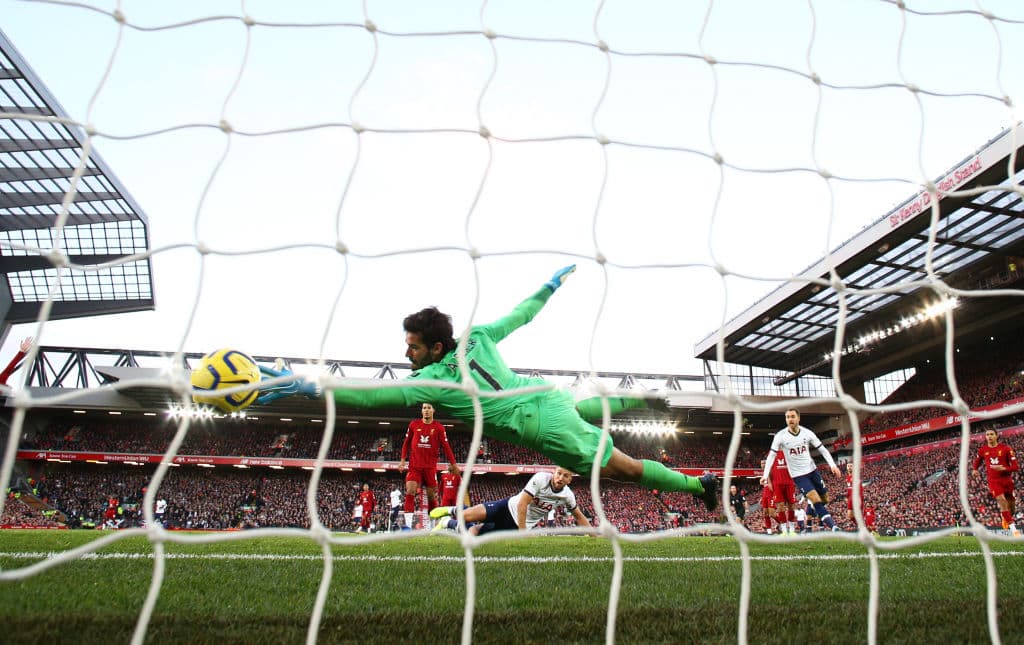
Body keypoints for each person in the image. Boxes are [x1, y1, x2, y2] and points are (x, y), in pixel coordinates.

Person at [255, 266, 718, 511]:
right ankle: (627, 412)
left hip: (541, 425)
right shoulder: (477, 335)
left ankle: (701, 485)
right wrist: (548, 287)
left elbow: (371, 396)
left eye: (412, 347)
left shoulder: (432, 382)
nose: (407, 353)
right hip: (546, 396)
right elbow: (521, 314)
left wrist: (312, 386)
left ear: (436, 347)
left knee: (626, 470)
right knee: (614, 471)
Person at [429, 466, 590, 536]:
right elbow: (522, 503)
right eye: (558, 473)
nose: (560, 477)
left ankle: (446, 523)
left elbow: (579, 516)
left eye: (565, 476)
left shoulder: (567, 496)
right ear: (554, 472)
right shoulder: (541, 478)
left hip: (513, 525)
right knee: (465, 517)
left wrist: (594, 535)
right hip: (506, 507)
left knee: (472, 533)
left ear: (570, 479)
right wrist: (522, 532)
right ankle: (451, 511)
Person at [760, 408, 841, 531]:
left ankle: (816, 508)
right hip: (798, 476)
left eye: (792, 416)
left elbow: (822, 449)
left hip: (812, 471)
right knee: (815, 498)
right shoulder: (780, 436)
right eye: (787, 417)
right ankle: (833, 526)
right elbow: (771, 456)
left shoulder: (807, 433)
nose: (790, 419)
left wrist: (832, 465)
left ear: (798, 418)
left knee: (825, 499)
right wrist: (765, 475)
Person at [398, 402, 459, 529]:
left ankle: (431, 526)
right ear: (421, 411)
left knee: (431, 496)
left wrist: (454, 464)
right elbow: (406, 443)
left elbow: (446, 447)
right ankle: (407, 527)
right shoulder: (414, 425)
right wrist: (402, 460)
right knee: (410, 490)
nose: (426, 410)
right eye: (424, 408)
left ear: (433, 410)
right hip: (414, 466)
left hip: (430, 468)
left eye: (428, 408)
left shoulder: (439, 427)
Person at [972, 428, 1020, 535]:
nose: (989, 436)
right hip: (994, 481)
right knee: (1001, 501)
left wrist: (1004, 469)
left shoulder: (1005, 449)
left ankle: (1006, 518)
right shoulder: (983, 450)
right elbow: (977, 461)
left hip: (1007, 480)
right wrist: (975, 469)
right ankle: (1014, 530)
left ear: (996, 436)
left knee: (1011, 506)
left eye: (991, 434)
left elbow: (1015, 467)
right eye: (987, 434)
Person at [765, 451, 797, 535]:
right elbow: (768, 468)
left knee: (791, 506)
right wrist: (769, 482)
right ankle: (784, 531)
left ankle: (792, 530)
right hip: (777, 484)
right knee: (780, 507)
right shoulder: (772, 453)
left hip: (789, 482)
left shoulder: (790, 450)